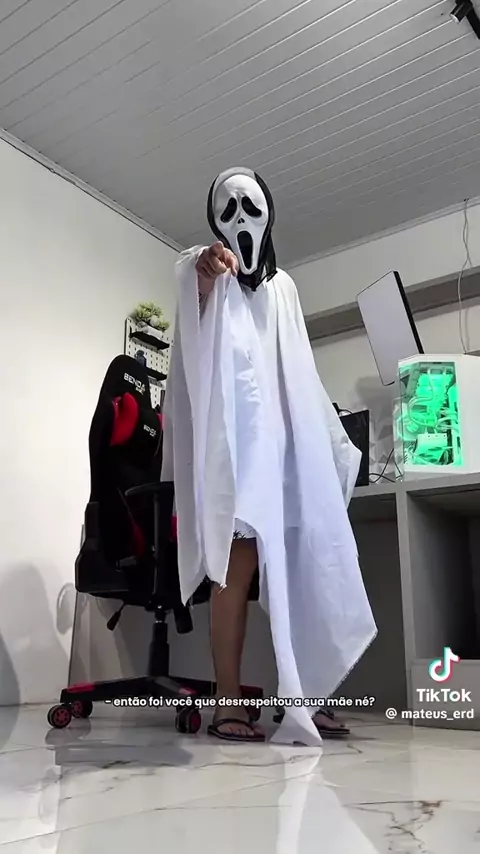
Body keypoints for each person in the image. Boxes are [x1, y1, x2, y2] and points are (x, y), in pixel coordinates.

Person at [162, 167, 376, 745]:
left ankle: (304, 696)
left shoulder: (284, 289)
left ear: (270, 214)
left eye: (250, 208)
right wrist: (205, 272)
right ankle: (227, 702)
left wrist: (323, 443)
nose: (240, 221)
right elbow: (194, 304)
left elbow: (297, 368)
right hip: (238, 454)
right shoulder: (210, 275)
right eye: (227, 211)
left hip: (286, 452)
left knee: (308, 561)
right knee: (237, 568)